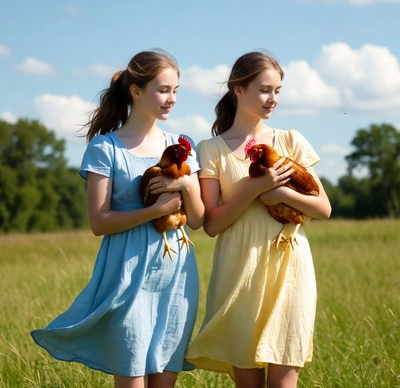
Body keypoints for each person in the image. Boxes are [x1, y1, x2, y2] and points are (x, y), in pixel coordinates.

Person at [31, 50, 205, 388]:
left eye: (176, 90)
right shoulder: (105, 148)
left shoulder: (181, 146)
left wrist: (185, 183)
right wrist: (156, 211)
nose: (171, 99)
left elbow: (197, 220)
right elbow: (99, 222)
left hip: (176, 276)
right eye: (163, 90)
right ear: (136, 92)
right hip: (127, 272)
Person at [185, 51, 331, 388]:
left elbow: (322, 207)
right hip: (241, 268)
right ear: (238, 89)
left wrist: (280, 194)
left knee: (284, 380)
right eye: (265, 90)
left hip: (290, 266)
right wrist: (255, 188)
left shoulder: (290, 140)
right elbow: (212, 224)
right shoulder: (211, 149)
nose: (273, 99)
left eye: (278, 90)